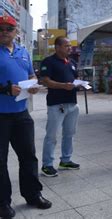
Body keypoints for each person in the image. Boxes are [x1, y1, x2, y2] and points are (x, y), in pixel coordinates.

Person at [0, 14, 52, 218]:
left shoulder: (23, 52)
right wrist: (5, 90)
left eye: (8, 28)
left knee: (29, 156)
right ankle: (3, 202)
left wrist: (33, 83)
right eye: (1, 28)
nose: (4, 31)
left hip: (21, 114)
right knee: (0, 162)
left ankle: (33, 194)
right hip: (0, 116)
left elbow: (31, 74)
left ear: (15, 32)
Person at [40, 36, 81, 177]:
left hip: (72, 104)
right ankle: (47, 164)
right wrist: (64, 86)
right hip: (56, 104)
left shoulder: (71, 62)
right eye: (66, 45)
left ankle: (65, 160)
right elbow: (45, 81)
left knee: (69, 134)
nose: (70, 48)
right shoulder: (48, 62)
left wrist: (80, 84)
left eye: (70, 45)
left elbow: (74, 79)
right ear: (57, 47)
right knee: (51, 136)